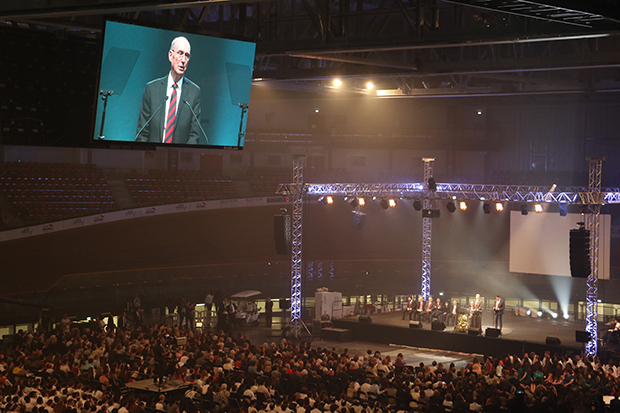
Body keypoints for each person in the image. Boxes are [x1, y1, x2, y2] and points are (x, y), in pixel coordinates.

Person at [136, 36, 202, 144]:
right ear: (170, 55)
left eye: (187, 55)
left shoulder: (194, 92)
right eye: (180, 53)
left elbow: (194, 135)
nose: (183, 60)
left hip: (179, 157)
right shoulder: (151, 89)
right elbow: (142, 133)